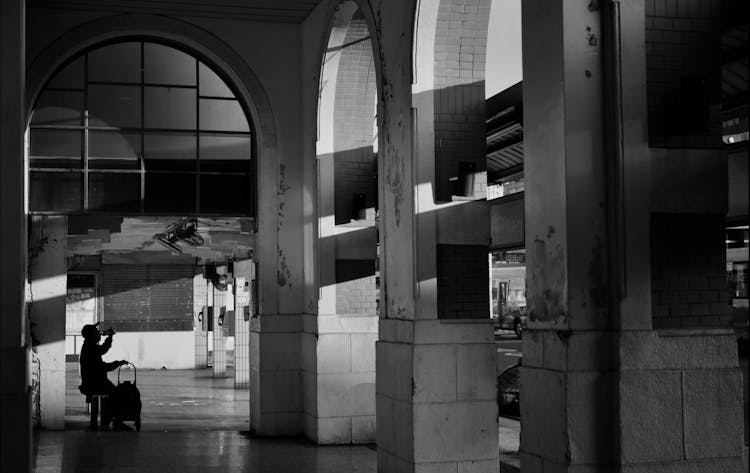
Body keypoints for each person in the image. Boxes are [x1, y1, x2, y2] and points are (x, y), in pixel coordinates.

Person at [78, 323, 131, 430]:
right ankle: (114, 420)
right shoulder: (90, 348)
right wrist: (117, 363)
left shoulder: (89, 346)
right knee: (118, 395)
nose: (99, 333)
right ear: (92, 335)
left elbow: (103, 349)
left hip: (93, 382)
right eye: (96, 332)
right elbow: (103, 367)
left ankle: (111, 419)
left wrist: (109, 338)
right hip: (96, 383)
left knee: (114, 394)